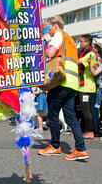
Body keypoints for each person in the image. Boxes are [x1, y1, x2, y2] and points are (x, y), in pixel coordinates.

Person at [37, 16, 89, 160]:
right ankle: (80, 149)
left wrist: (45, 52)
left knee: (52, 114)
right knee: (71, 116)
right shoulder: (70, 39)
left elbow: (51, 53)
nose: (48, 31)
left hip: (61, 81)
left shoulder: (59, 35)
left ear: (55, 26)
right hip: (72, 83)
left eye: (49, 27)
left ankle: (55, 146)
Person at [77, 35, 97, 139]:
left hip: (87, 86)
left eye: (81, 42)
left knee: (86, 110)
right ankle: (83, 129)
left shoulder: (91, 53)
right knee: (82, 109)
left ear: (87, 43)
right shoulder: (83, 52)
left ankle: (90, 130)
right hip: (81, 86)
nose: (80, 44)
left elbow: (79, 61)